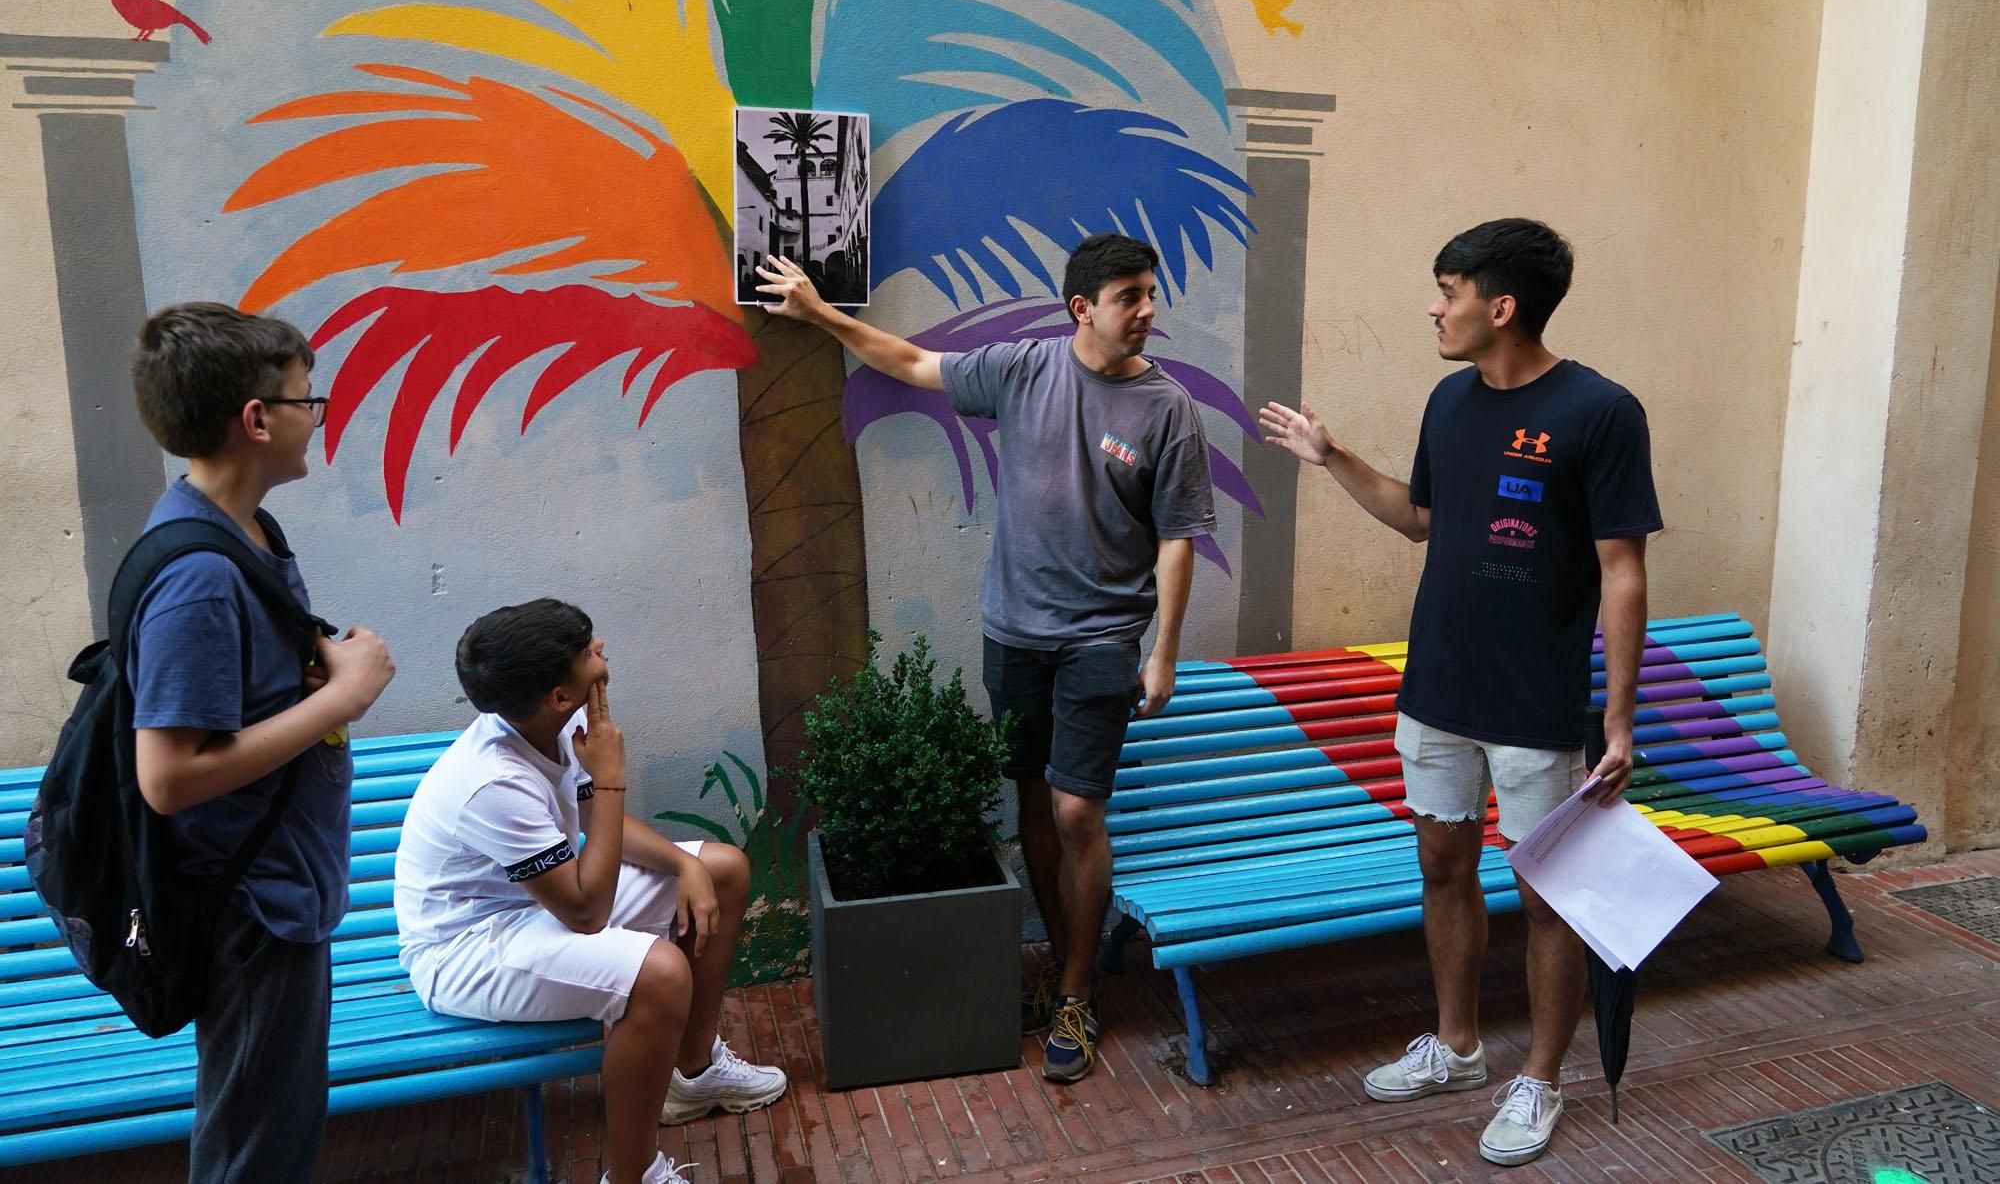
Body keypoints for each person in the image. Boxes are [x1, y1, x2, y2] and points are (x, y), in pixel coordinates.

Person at [757, 234, 1216, 1083]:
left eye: (1150, 293)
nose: (1148, 310)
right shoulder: (1021, 370)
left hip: (1101, 639)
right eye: (1130, 296)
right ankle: (1060, 968)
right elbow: (911, 362)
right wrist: (820, 314)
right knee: (1033, 799)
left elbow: (1179, 539)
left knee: (1079, 813)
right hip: (1012, 632)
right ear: (1083, 308)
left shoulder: (1167, 410)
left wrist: (1165, 652)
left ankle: (1078, 987)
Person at [1259, 218, 1660, 1167]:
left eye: (1449, 290)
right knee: (1443, 864)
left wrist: (1618, 715)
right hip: (1438, 688)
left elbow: (1623, 571)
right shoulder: (1449, 400)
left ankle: (1543, 1078)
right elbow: (1421, 518)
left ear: (1501, 305)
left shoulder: (1602, 411)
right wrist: (1334, 458)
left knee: (1550, 894)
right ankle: (1460, 1047)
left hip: (1537, 704)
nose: (1436, 308)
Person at [127, 302, 397, 1181]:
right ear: (256, 419)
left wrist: (313, 674)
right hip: (250, 906)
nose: (315, 416)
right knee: (255, 1149)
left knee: (278, 1130)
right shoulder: (198, 576)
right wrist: (346, 694)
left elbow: (236, 702)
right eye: (305, 401)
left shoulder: (247, 533)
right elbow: (167, 776)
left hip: (282, 886)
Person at [394, 599, 788, 1184]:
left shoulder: (559, 722)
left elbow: (597, 831)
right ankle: (632, 1176)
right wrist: (610, 774)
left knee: (723, 869)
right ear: (558, 693)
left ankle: (694, 1073)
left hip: (537, 904)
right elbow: (586, 911)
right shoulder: (492, 782)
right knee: (658, 976)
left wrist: (686, 866)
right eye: (587, 650)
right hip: (466, 949)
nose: (600, 649)